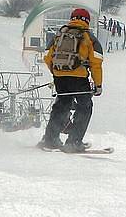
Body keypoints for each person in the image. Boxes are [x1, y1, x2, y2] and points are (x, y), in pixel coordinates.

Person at [38, 8, 103, 153]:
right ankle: (74, 142)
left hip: (60, 78)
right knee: (84, 107)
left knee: (61, 105)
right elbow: (96, 63)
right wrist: (98, 85)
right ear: (87, 21)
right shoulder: (89, 38)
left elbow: (47, 57)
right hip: (79, 79)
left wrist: (57, 72)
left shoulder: (59, 35)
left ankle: (50, 139)